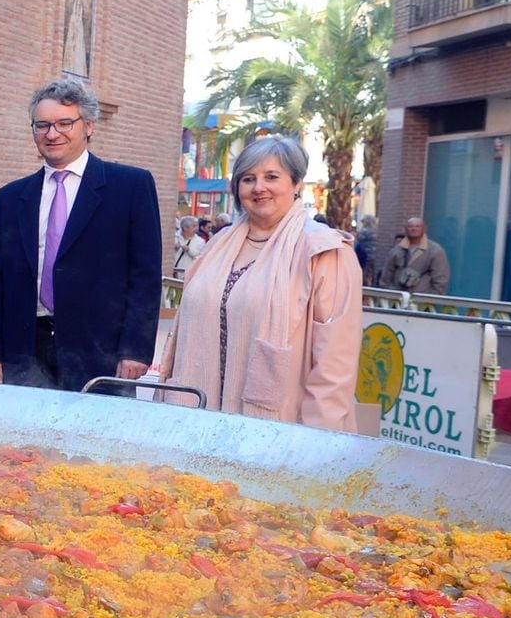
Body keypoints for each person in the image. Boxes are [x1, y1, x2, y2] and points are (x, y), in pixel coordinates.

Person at [158, 134, 362, 430]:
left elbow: (335, 364)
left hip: (282, 432)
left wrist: (319, 439)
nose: (259, 188)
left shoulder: (323, 251)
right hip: (197, 422)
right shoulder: (219, 244)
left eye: (272, 176)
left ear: (296, 184)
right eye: (248, 179)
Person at [0, 78, 161, 392]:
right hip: (24, 352)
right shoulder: (11, 197)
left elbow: (144, 276)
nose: (52, 134)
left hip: (100, 354)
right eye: (42, 125)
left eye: (65, 123)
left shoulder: (130, 187)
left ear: (88, 126)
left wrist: (135, 348)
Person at [379, 217, 450, 296]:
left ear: (424, 229)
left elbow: (440, 279)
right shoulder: (396, 250)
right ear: (406, 229)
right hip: (398, 299)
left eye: (417, 226)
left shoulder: (435, 251)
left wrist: (430, 298)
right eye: (410, 226)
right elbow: (386, 275)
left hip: (422, 301)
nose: (414, 229)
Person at [353, 214, 377, 282]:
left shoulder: (364, 232)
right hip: (374, 257)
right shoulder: (376, 231)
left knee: (364, 277)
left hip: (365, 257)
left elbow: (357, 240)